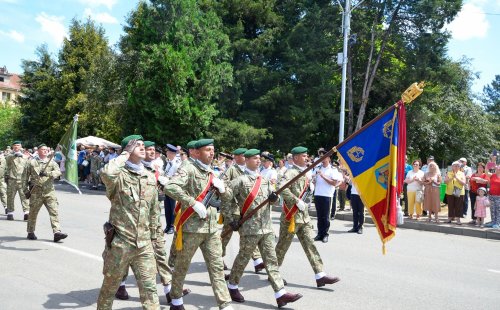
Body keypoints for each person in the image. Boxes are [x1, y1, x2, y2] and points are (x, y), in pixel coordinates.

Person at [223, 149, 302, 308]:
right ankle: (232, 286)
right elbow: (226, 200)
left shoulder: (264, 180)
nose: (258, 161)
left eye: (259, 158)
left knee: (271, 260)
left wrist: (274, 199)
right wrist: (232, 219)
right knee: (243, 259)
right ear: (246, 160)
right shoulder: (240, 180)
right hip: (249, 229)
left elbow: (273, 199)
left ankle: (280, 294)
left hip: (266, 227)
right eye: (254, 158)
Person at [115, 141, 191, 303]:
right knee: (126, 258)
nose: (150, 152)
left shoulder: (155, 169)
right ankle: (120, 285)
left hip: (153, 221)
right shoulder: (132, 170)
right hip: (133, 223)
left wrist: (164, 184)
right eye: (147, 149)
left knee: (160, 254)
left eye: (152, 150)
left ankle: (169, 289)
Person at [164, 139, 233, 310]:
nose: (212, 153)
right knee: (182, 266)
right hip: (191, 228)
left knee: (217, 267)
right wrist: (193, 203)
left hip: (210, 228)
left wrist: (223, 190)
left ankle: (225, 304)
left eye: (213, 150)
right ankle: (177, 300)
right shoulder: (188, 168)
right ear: (195, 152)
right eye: (208, 149)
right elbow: (170, 187)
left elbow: (229, 198)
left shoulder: (212, 172)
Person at [96, 135, 161, 310]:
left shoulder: (149, 177)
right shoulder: (118, 176)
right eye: (136, 145)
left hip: (144, 245)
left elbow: (154, 211)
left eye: (142, 145)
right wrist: (124, 154)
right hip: (120, 244)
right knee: (109, 288)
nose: (142, 147)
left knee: (150, 290)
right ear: (127, 150)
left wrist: (154, 239)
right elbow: (106, 173)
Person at [275, 146, 340, 288]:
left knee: (310, 245)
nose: (307, 158)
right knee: (282, 247)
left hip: (303, 217)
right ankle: (273, 273)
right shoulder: (291, 172)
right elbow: (280, 187)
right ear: (296, 157)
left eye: (307, 156)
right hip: (290, 217)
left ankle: (320, 275)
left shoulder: (305, 173)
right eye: (304, 156)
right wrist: (296, 200)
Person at [24, 144, 67, 242]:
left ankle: (57, 232)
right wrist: (25, 190)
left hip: (49, 192)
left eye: (46, 150)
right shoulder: (31, 162)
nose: (45, 151)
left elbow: (58, 172)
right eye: (42, 149)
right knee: (33, 213)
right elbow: (24, 177)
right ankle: (30, 231)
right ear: (38, 151)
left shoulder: (51, 162)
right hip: (36, 192)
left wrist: (48, 173)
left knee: (54, 212)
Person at [313, 155, 342, 243]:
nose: (322, 159)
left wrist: (323, 176)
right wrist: (314, 180)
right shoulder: (318, 168)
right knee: (319, 216)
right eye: (321, 157)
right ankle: (319, 234)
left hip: (327, 195)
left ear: (329, 159)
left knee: (325, 217)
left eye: (324, 157)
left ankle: (325, 234)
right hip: (318, 194)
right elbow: (313, 179)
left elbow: (334, 183)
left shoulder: (333, 169)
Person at [4, 140, 30, 221]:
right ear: (12, 147)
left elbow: (28, 169)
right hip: (12, 180)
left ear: (21, 146)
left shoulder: (26, 157)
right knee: (10, 197)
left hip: (23, 180)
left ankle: (26, 213)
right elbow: (6, 165)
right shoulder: (9, 157)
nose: (16, 147)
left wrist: (29, 179)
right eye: (15, 145)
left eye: (18, 145)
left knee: (24, 197)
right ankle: (10, 213)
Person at [164, 143, 182, 234]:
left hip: (173, 189)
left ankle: (172, 226)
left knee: (172, 208)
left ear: (172, 153)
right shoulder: (169, 162)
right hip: (167, 188)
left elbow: (178, 176)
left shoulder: (177, 163)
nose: (166, 153)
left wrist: (169, 179)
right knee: (167, 208)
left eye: (168, 152)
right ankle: (167, 225)